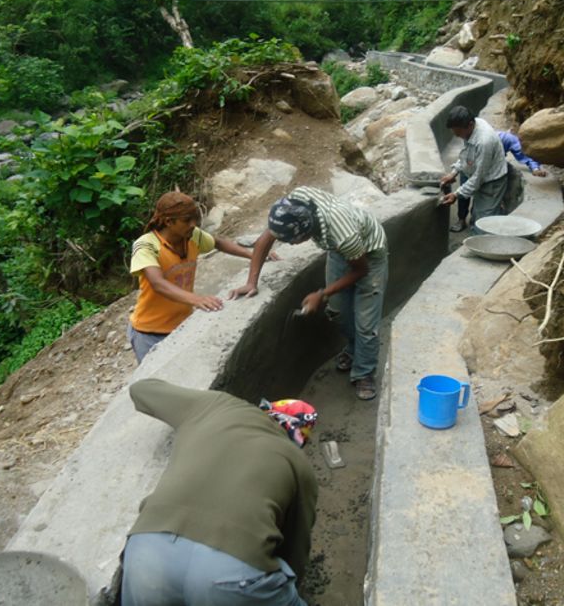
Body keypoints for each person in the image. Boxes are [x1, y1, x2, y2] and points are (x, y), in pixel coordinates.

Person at [120, 378, 318, 606]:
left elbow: (142, 389)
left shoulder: (216, 405)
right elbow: (295, 548)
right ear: (299, 439)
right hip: (231, 574)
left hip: (146, 553)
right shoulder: (298, 463)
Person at [228, 186, 388, 401]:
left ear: (306, 232)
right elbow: (266, 238)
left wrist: (321, 294)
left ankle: (364, 372)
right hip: (340, 251)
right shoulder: (292, 206)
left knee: (366, 323)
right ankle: (353, 350)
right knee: (338, 312)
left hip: (369, 254)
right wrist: (251, 282)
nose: (290, 244)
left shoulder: (342, 233)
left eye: (292, 240)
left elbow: (361, 271)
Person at [128, 191, 269, 363]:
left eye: (194, 219)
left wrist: (254, 256)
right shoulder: (146, 246)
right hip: (149, 333)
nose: (193, 224)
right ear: (168, 221)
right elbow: (158, 283)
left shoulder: (192, 236)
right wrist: (197, 299)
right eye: (187, 220)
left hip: (182, 326)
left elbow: (218, 243)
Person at [438, 106, 510, 234]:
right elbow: (467, 155)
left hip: (491, 182)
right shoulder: (473, 126)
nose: (457, 135)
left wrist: (456, 194)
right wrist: (454, 172)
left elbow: (478, 177)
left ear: (470, 125)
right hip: (477, 174)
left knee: (484, 226)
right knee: (477, 216)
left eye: (458, 132)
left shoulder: (484, 142)